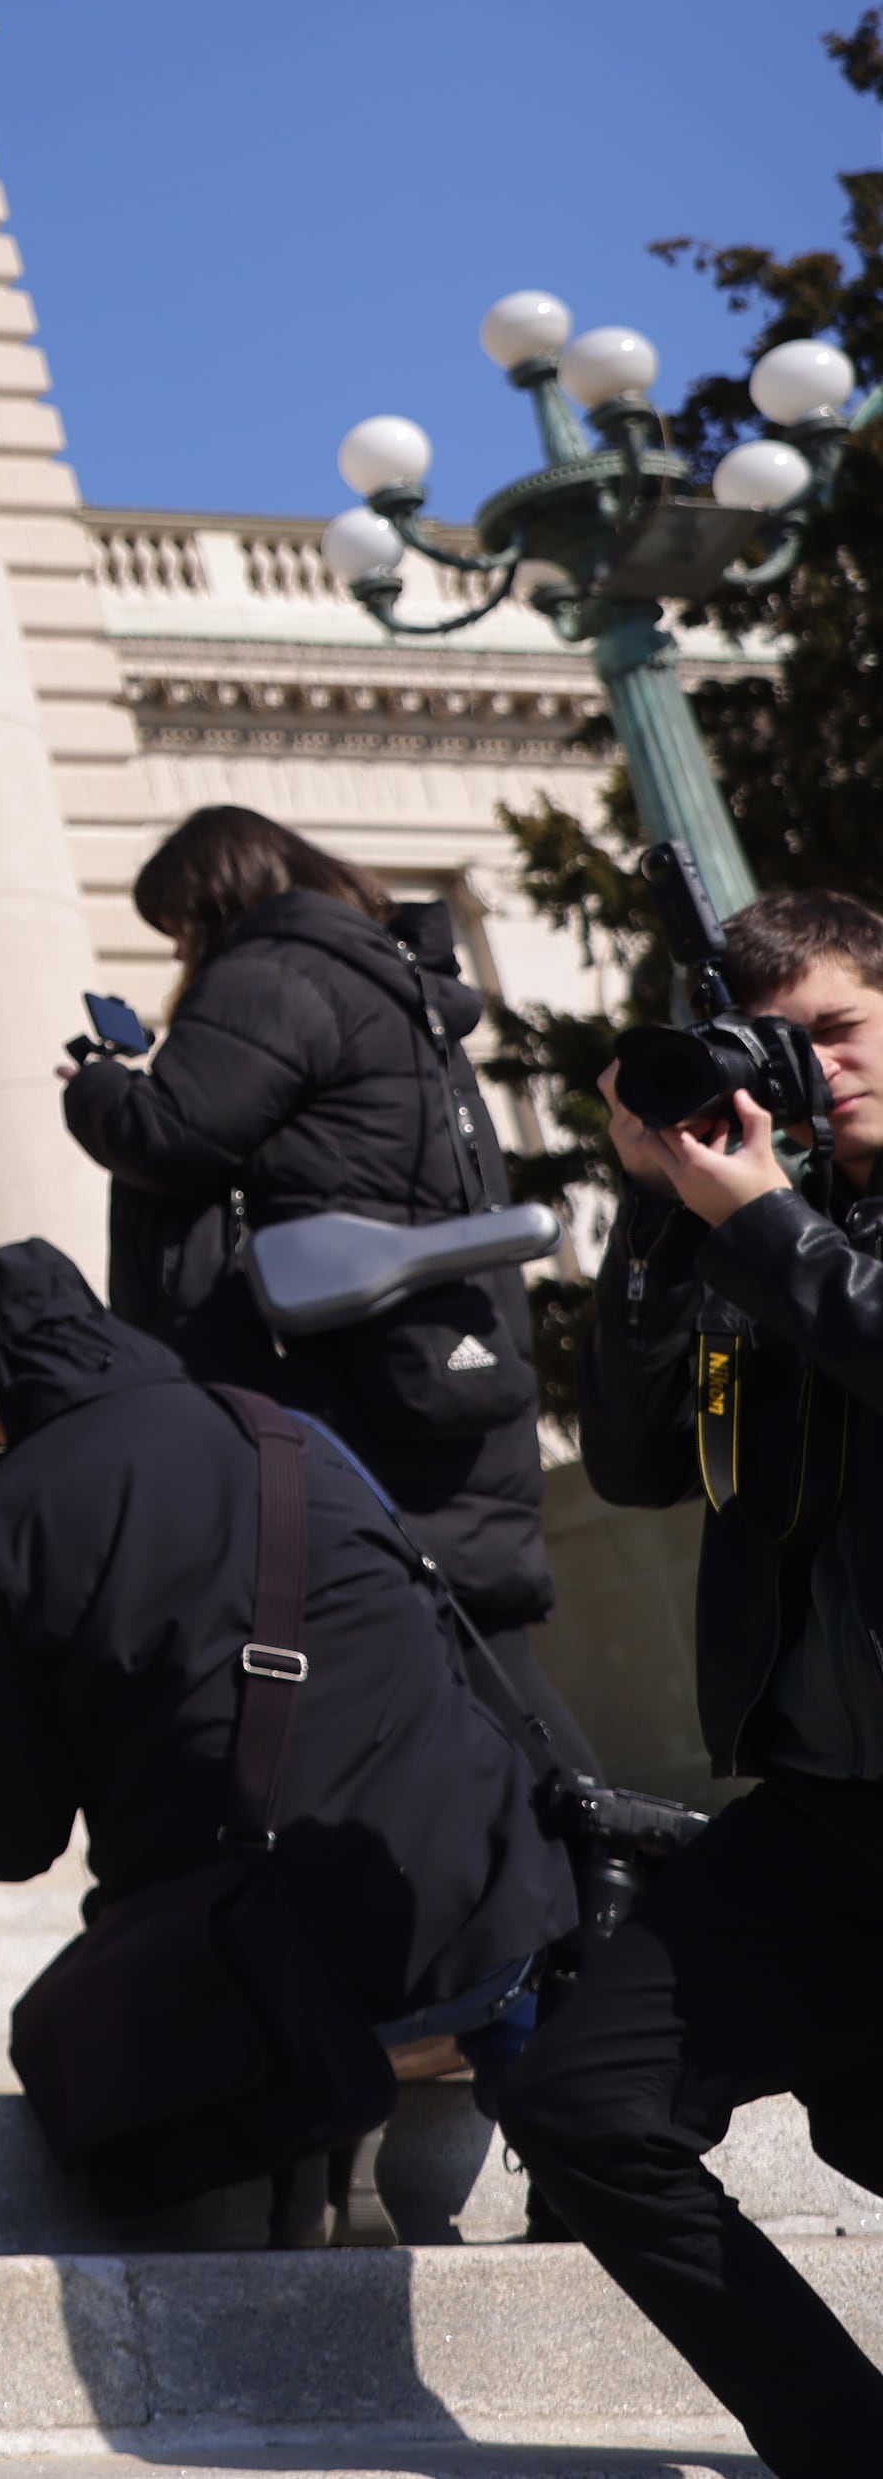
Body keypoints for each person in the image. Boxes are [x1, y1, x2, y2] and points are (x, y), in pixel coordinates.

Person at [501, 885, 883, 2468]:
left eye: (840, 1031)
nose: (811, 1072)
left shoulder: (787, 1229)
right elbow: (643, 1459)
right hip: (824, 1811)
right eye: (775, 1047)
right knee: (586, 2104)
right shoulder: (756, 1223)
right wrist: (661, 1202)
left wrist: (765, 1221)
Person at [0, 1241, 571, 2119]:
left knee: (82, 2027)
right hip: (488, 1920)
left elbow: (6, 1838)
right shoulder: (287, 1432)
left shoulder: (0, 1528)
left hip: (269, 1977)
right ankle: (552, 2125)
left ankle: (299, 2149)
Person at [57, 806, 573, 1754]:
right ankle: (580, 1839)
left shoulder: (272, 974)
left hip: (338, 1369)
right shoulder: (389, 977)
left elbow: (172, 1133)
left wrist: (97, 1084)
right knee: (473, 1653)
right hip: (431, 1347)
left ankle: (584, 1842)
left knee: (430, 1672)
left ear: (214, 900)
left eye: (179, 925)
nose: (180, 950)